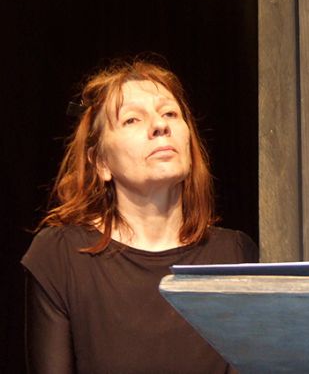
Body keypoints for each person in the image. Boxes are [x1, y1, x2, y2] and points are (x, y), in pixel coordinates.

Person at [22, 59, 258, 374]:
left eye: (170, 113)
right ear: (101, 162)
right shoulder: (60, 256)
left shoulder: (234, 256)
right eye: (132, 119)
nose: (160, 125)